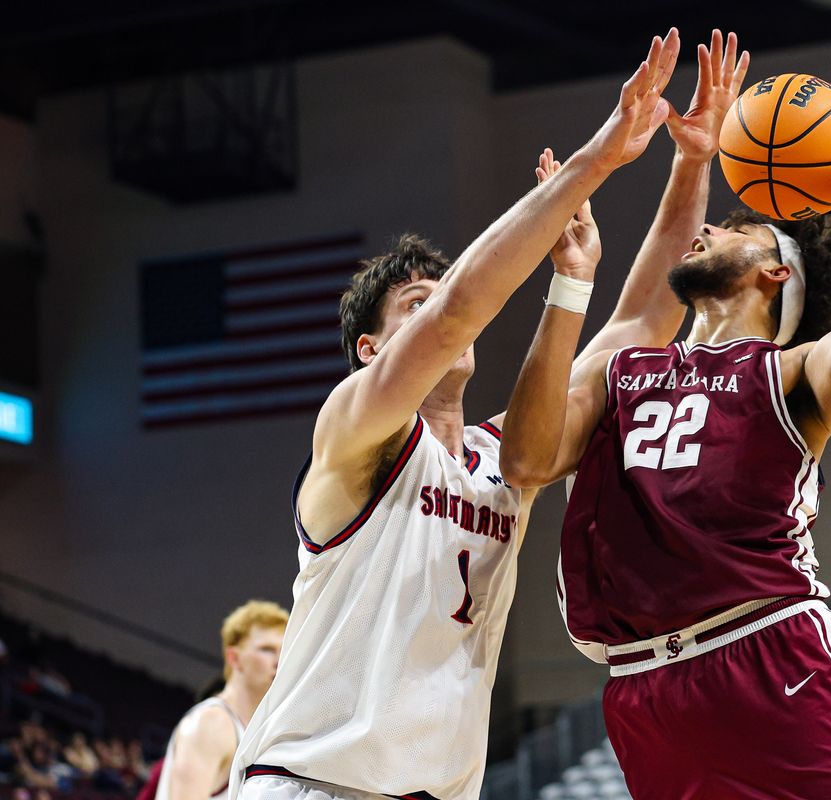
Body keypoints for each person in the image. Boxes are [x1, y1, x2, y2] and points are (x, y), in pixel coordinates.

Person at [228, 28, 709, 800]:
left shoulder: (502, 457)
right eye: (410, 309)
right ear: (369, 348)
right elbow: (455, 313)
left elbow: (640, 328)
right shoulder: (356, 432)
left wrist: (692, 161)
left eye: (434, 298)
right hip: (312, 782)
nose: (441, 317)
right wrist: (595, 163)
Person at [500, 81, 831, 799]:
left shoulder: (786, 375)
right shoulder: (624, 370)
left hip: (770, 660)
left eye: (735, 229)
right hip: (644, 688)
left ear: (777, 272)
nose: (709, 231)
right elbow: (526, 457)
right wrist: (568, 281)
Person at [156, 600, 288, 800]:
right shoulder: (211, 723)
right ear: (234, 658)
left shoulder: (257, 732)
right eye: (267, 649)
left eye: (284, 651)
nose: (279, 661)